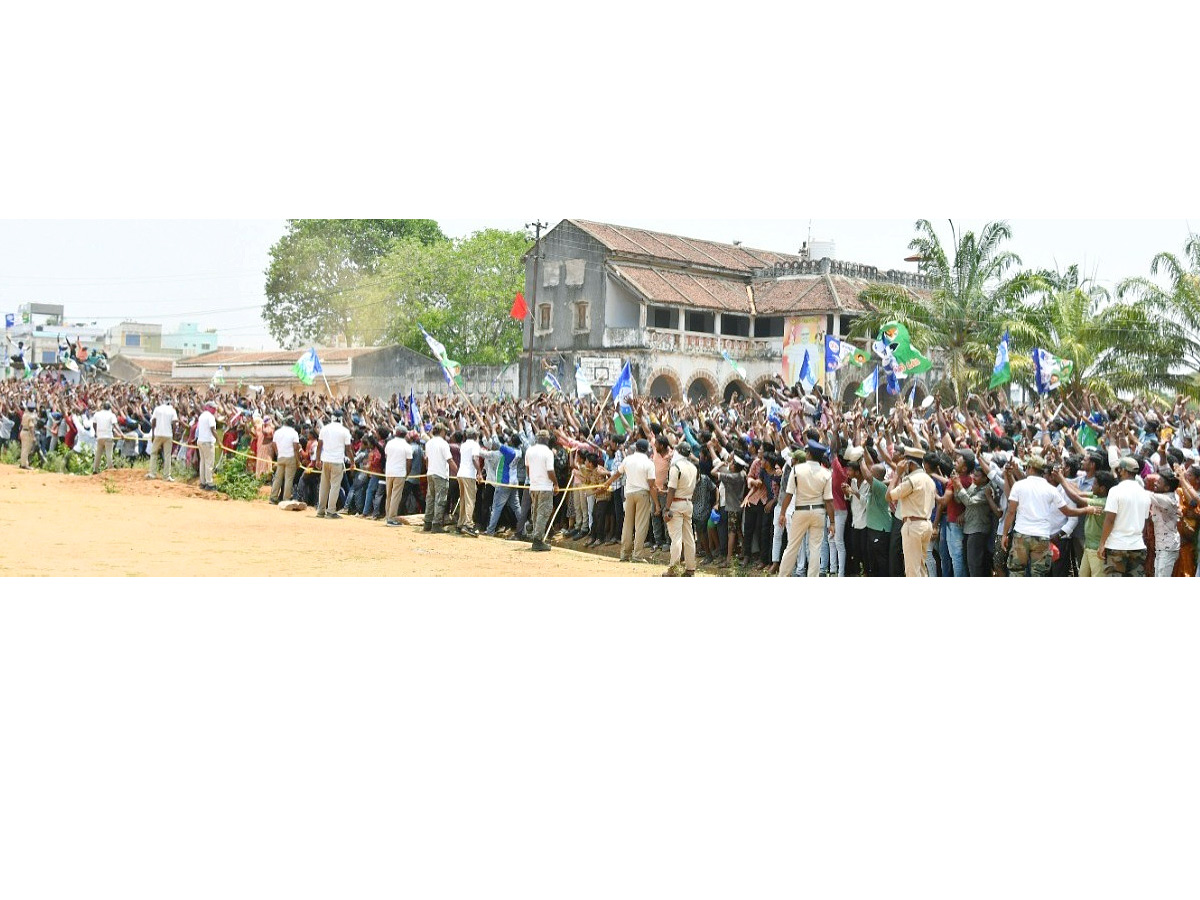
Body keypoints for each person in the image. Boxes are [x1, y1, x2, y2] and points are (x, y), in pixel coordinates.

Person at [1002, 455, 1100, 577]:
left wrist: (1005, 535)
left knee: (1017, 572)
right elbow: (1068, 511)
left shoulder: (1020, 485)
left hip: (1022, 535)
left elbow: (1011, 512)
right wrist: (1086, 509)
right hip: (1042, 537)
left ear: (1031, 468)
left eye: (1027, 467)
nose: (1026, 470)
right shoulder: (1050, 489)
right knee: (1039, 574)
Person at [778, 445, 835, 578]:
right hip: (819, 512)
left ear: (808, 454)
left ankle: (783, 576)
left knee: (792, 546)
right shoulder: (826, 473)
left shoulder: (797, 469)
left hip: (801, 511)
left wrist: (782, 513)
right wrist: (832, 522)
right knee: (815, 549)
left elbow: (789, 494)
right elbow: (829, 500)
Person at [602, 437, 657, 563]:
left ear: (636, 447)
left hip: (629, 493)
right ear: (647, 450)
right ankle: (637, 555)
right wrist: (657, 504)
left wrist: (607, 482)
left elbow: (617, 474)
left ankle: (624, 554)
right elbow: (652, 485)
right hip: (643, 493)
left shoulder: (628, 459)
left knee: (627, 525)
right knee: (641, 525)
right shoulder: (649, 463)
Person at [888, 447, 938, 578]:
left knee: (911, 570)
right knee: (920, 568)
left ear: (910, 464)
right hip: (926, 524)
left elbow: (888, 496)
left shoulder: (912, 479)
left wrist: (897, 474)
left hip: (913, 526)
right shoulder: (928, 479)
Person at [1098, 457, 1152, 576]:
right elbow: (1145, 521)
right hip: (1137, 546)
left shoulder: (1115, 491)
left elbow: (1110, 520)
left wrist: (1102, 543)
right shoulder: (1145, 493)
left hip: (1116, 546)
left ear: (1123, 471)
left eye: (1118, 469)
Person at [662, 442, 698, 577]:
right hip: (688, 503)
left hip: (676, 504)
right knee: (689, 537)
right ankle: (690, 568)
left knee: (676, 538)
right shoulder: (694, 468)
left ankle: (673, 569)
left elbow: (672, 489)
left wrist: (667, 508)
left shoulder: (675, 467)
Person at [315, 409, 352, 519]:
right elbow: (348, 449)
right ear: (341, 419)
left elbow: (319, 446)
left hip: (325, 460)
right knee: (335, 487)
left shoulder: (324, 429)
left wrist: (317, 460)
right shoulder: (345, 431)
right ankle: (331, 511)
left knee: (324, 486)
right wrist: (353, 462)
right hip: (337, 461)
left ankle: (320, 511)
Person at [525, 429, 558, 551]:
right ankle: (538, 540)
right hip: (545, 486)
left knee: (535, 512)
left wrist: (533, 479)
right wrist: (556, 484)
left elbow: (527, 469)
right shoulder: (548, 452)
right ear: (547, 439)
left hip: (533, 486)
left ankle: (536, 536)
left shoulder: (529, 450)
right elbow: (550, 471)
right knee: (543, 512)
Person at [423, 422, 453, 533]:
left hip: (430, 472)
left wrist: (428, 469)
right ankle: (436, 524)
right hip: (440, 474)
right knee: (440, 500)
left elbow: (426, 459)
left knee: (430, 498)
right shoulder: (444, 443)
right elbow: (449, 459)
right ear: (442, 431)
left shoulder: (429, 443)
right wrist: (457, 471)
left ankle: (427, 522)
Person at [384, 425, 413, 526]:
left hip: (389, 472)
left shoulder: (389, 443)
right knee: (395, 496)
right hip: (400, 473)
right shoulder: (407, 446)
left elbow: (386, 456)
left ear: (396, 433)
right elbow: (409, 463)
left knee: (389, 495)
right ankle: (392, 518)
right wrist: (406, 474)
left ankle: (388, 516)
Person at [456, 428, 483, 537]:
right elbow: (474, 458)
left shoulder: (463, 444)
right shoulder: (475, 445)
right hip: (469, 475)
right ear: (475, 436)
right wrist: (480, 472)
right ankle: (468, 524)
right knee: (470, 500)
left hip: (461, 473)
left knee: (463, 499)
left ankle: (461, 523)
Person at [270, 416, 301, 504]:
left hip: (281, 456)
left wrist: (278, 453)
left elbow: (273, 444)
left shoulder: (278, 432)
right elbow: (295, 448)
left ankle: (273, 497)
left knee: (278, 477)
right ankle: (286, 498)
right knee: (289, 479)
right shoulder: (294, 433)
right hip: (290, 457)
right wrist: (298, 461)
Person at [147, 396, 178, 481]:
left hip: (158, 433)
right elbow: (175, 424)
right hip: (168, 435)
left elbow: (153, 421)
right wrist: (173, 434)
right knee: (167, 455)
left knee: (153, 453)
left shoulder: (157, 409)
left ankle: (152, 473)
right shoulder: (172, 410)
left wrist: (153, 433)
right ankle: (166, 476)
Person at [91, 400, 119, 475]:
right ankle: (110, 468)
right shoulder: (111, 415)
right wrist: (121, 434)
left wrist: (96, 432)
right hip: (108, 436)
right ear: (110, 408)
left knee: (98, 454)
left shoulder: (97, 414)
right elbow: (115, 425)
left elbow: (94, 424)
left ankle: (95, 470)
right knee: (109, 454)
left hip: (100, 436)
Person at [196, 402, 218, 490]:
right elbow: (213, 429)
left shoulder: (202, 415)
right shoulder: (210, 416)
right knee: (209, 463)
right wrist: (219, 441)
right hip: (207, 442)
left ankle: (203, 482)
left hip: (200, 441)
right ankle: (209, 483)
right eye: (214, 408)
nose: (215, 410)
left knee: (203, 462)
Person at [19, 402, 36, 469]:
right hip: (27, 432)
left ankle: (22, 463)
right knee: (26, 449)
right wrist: (33, 436)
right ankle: (24, 465)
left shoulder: (25, 414)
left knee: (23, 448)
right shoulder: (31, 416)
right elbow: (31, 427)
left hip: (23, 431)